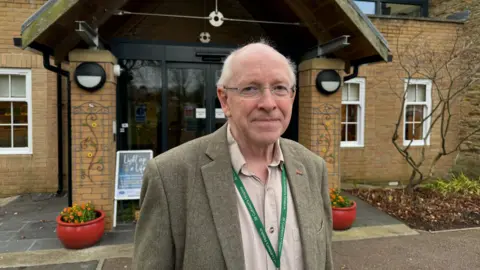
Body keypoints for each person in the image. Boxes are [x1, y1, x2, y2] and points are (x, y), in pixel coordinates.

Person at [132, 41, 333, 270]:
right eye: (250, 88)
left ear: (292, 97)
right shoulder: (169, 177)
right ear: (225, 100)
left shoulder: (313, 168)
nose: (268, 103)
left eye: (279, 88)